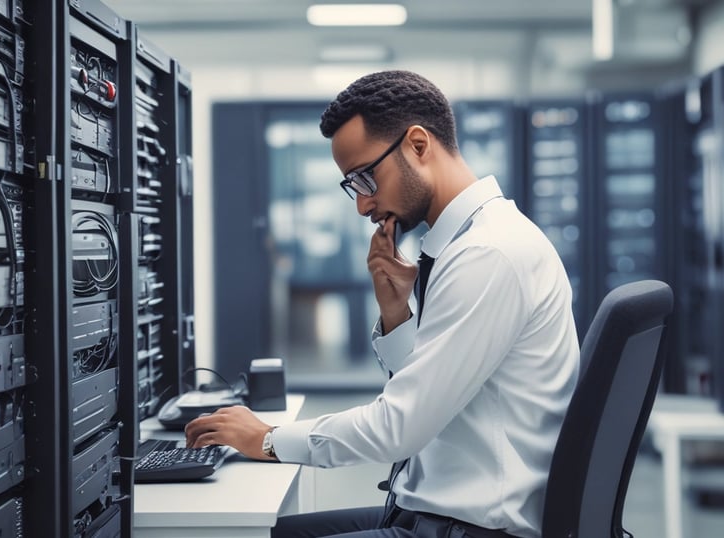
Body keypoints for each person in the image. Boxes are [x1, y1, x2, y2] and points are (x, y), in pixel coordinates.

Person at [185, 70, 580, 538]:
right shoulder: (465, 241)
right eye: (352, 186)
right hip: (433, 510)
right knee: (277, 531)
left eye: (365, 177)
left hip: (472, 528)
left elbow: (400, 426)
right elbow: (431, 391)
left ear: (417, 145)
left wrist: (266, 439)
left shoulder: (489, 254)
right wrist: (397, 314)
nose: (362, 204)